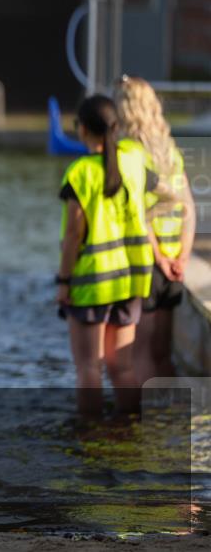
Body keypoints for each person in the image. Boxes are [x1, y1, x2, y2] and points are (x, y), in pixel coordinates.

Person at [56, 95, 155, 417]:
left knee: (88, 367)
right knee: (122, 367)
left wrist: (63, 281)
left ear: (82, 129)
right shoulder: (134, 158)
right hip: (129, 281)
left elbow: (73, 233)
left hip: (91, 282)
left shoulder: (81, 173)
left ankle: (90, 439)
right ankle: (130, 431)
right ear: (115, 127)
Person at [116, 77, 195, 385]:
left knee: (141, 352)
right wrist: (183, 256)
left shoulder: (131, 152)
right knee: (162, 351)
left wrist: (159, 257)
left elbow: (139, 212)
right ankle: (170, 423)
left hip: (150, 260)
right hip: (175, 259)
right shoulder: (170, 150)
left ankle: (141, 426)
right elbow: (187, 205)